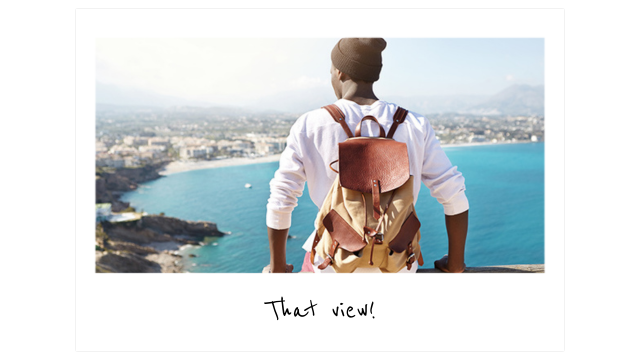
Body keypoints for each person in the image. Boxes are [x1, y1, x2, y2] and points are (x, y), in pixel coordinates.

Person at [265, 38, 469, 273]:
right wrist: (454, 264)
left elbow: (281, 199)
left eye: (331, 70)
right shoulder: (415, 124)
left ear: (339, 72)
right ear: (375, 74)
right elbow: (454, 193)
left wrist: (278, 268)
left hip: (331, 264)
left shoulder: (311, 124)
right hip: (399, 266)